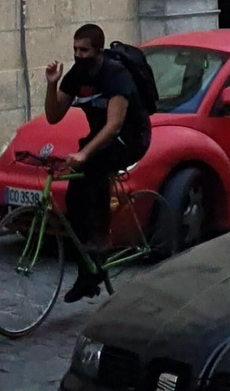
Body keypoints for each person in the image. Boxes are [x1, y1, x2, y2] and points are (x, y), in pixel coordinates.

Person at [44, 23, 150, 302]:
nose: (78, 55)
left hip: (132, 138)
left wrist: (84, 154)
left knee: (92, 168)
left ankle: (101, 241)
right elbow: (54, 116)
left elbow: (115, 126)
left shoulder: (115, 74)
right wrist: (52, 84)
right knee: (74, 197)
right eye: (75, 49)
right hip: (101, 138)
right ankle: (87, 273)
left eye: (84, 50)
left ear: (98, 50)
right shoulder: (78, 73)